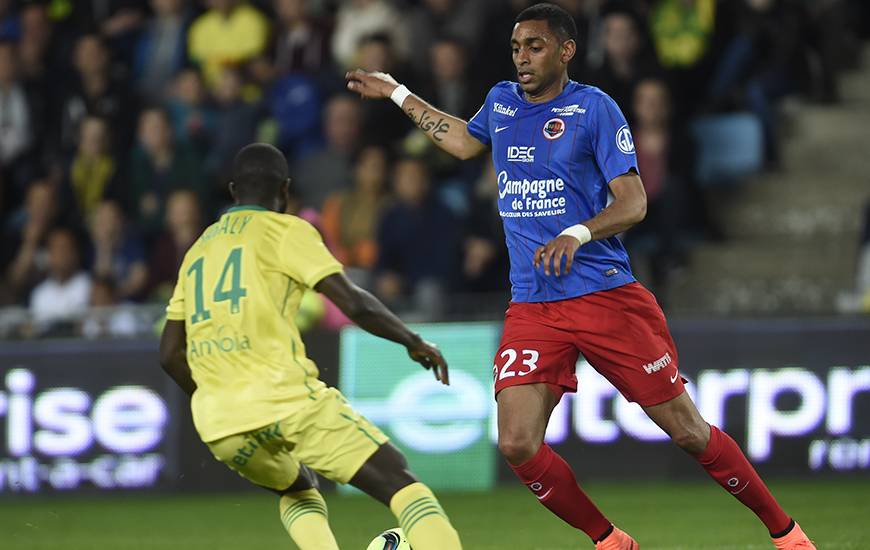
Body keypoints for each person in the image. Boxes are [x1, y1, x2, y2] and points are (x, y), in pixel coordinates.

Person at [345, 3, 815, 549]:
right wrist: (399, 92)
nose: (522, 58)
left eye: (535, 46)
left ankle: (787, 535)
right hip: (533, 305)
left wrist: (578, 233)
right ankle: (610, 541)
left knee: (687, 430)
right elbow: (460, 140)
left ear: (566, 51)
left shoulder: (595, 109)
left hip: (605, 296)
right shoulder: (500, 103)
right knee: (517, 443)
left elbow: (633, 202)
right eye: (517, 47)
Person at [158, 143, 462, 550]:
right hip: (284, 400)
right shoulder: (288, 231)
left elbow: (169, 354)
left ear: (233, 191)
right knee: (402, 485)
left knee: (298, 488)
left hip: (220, 424)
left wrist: (219, 395)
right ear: (284, 191)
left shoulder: (199, 249)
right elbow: (353, 301)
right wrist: (411, 340)